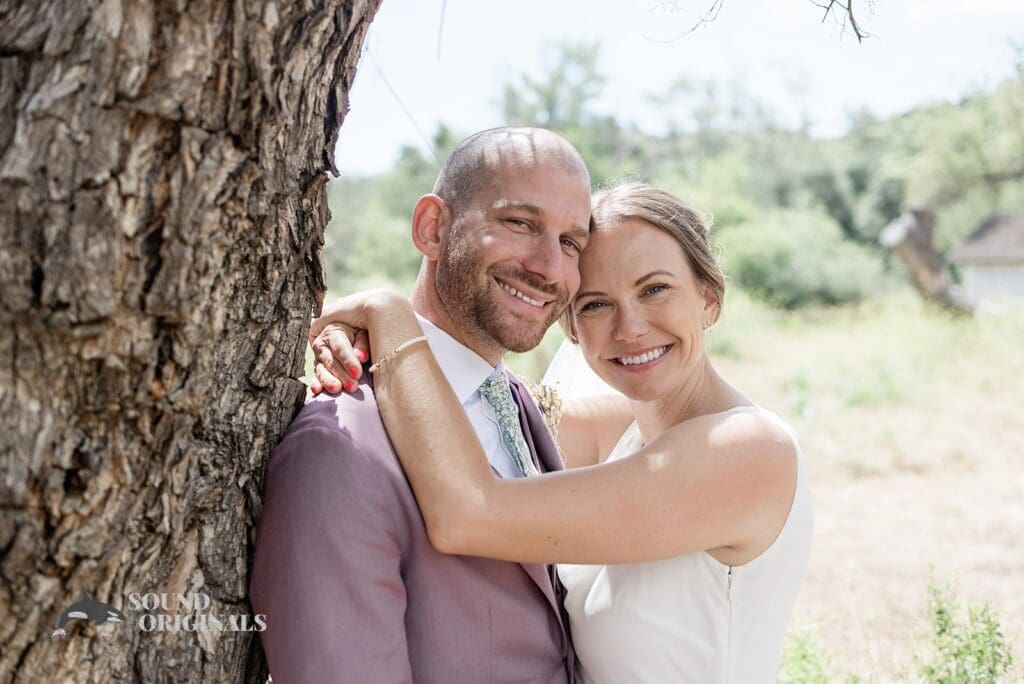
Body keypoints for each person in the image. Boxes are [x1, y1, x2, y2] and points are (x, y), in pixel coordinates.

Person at [310, 182, 813, 682]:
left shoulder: (748, 453)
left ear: (709, 300)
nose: (630, 327)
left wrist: (390, 315)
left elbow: (467, 512)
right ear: (571, 327)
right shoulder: (610, 429)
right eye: (595, 304)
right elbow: (467, 401)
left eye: (655, 289)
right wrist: (368, 342)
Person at [250, 127, 593, 682]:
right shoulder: (338, 448)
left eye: (572, 242)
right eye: (519, 224)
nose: (550, 266)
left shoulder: (516, 401)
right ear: (433, 228)